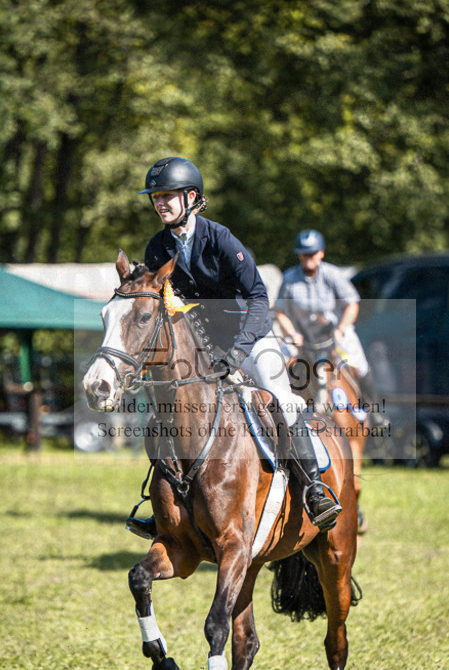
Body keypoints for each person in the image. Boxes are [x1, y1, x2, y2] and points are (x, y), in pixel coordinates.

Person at [127, 156, 342, 538]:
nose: (159, 203)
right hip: (202, 348)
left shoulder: (220, 239)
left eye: (167, 196)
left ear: (191, 197)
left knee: (281, 399)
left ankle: (314, 489)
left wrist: (239, 353)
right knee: (165, 413)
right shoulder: (157, 248)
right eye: (155, 197)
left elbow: (259, 298)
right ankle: (163, 507)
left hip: (251, 339)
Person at [274, 229, 381, 413]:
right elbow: (280, 311)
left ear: (321, 253)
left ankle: (375, 412)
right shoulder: (290, 278)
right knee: (277, 365)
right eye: (303, 254)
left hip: (334, 333)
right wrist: (291, 333)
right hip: (303, 335)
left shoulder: (332, 274)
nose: (307, 257)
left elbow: (352, 304)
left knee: (360, 364)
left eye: (312, 253)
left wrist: (341, 329)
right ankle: (278, 411)